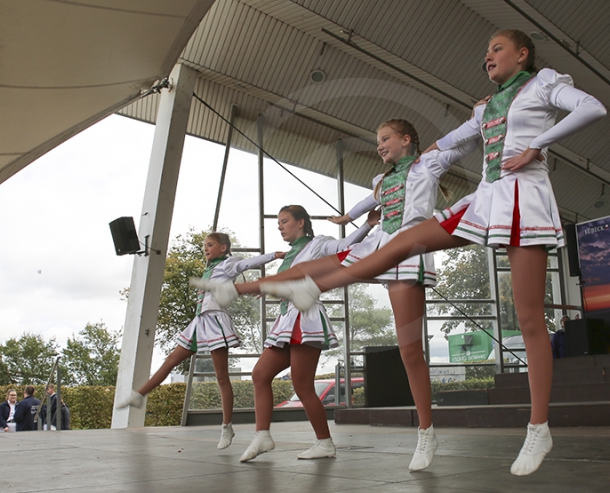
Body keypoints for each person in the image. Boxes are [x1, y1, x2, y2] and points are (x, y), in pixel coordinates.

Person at [208, 29, 606, 476]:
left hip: (522, 198)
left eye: (497, 48)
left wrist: (535, 146)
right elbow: (456, 138)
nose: (488, 55)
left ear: (523, 53)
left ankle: (534, 427)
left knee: (523, 319)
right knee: (368, 255)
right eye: (487, 49)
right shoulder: (477, 112)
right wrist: (350, 216)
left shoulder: (542, 84)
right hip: (479, 200)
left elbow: (591, 108)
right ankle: (256, 289)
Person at [313, 119, 475, 471]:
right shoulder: (381, 179)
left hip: (411, 250)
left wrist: (452, 136)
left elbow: (467, 144)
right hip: (385, 250)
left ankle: (426, 432)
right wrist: (346, 217)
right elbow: (366, 201)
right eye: (377, 141)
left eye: (385, 138)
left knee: (409, 350)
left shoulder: (428, 164)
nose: (379, 145)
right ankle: (426, 431)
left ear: (406, 140)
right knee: (407, 349)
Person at [201, 205, 377, 463]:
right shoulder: (291, 254)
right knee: (260, 374)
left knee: (302, 385)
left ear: (301, 222)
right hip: (286, 319)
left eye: (284, 221)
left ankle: (325, 442)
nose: (280, 227)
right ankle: (262, 435)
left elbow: (344, 245)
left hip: (305, 318)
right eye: (278, 223)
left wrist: (368, 225)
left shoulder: (317, 244)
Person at [116, 232, 284, 450]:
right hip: (199, 322)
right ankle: (140, 394)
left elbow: (248, 263)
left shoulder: (227, 264)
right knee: (171, 360)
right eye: (204, 245)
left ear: (223, 247)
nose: (205, 248)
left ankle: (227, 426)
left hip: (215, 321)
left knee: (221, 377)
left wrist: (274, 255)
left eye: (210, 245)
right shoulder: (209, 268)